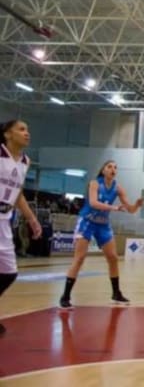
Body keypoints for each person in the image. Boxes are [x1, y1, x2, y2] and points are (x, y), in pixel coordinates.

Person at [59, 160, 144, 309]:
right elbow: (93, 203)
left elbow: (130, 209)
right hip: (87, 221)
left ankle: (116, 293)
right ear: (103, 170)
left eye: (115, 167)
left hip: (103, 224)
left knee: (113, 258)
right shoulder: (95, 183)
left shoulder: (118, 188)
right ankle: (65, 296)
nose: (113, 169)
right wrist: (114, 207)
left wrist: (136, 205)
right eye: (109, 166)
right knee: (79, 258)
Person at [0, 120, 42, 335]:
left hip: (4, 219)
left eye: (28, 129)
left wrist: (32, 219)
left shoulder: (26, 161)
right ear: (8, 134)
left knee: (9, 273)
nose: (27, 133)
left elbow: (18, 194)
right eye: (21, 129)